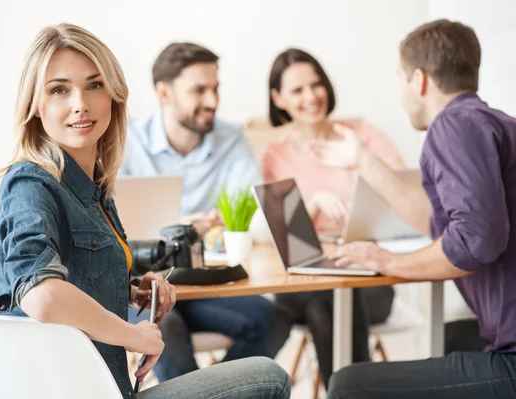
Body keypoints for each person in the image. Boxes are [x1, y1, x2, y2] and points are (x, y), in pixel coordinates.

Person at [0, 23, 290, 399]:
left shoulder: (94, 188)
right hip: (67, 390)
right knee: (268, 377)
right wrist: (135, 336)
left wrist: (132, 291)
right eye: (59, 89)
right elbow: (43, 295)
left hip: (104, 388)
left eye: (94, 85)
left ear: (113, 97)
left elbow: (80, 275)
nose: (80, 102)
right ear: (35, 104)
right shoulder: (31, 183)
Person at [326, 19, 516, 399]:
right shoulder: (495, 123)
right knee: (444, 338)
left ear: (418, 80)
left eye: (399, 79)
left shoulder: (452, 126)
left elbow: (476, 240)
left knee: (348, 385)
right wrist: (364, 160)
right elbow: (439, 223)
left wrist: (388, 260)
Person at [121, 42, 291, 382]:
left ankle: (217, 390)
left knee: (273, 320)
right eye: (199, 90)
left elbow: (253, 207)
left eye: (215, 89)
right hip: (142, 286)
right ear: (164, 93)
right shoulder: (126, 142)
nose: (212, 101)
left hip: (204, 282)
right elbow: (112, 222)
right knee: (164, 330)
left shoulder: (231, 139)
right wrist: (184, 224)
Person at [260, 48, 400, 388]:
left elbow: (403, 197)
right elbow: (275, 234)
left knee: (330, 300)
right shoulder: (275, 154)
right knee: (325, 295)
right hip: (303, 280)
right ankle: (359, 393)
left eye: (316, 84)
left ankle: (346, 393)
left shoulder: (363, 138)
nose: (311, 96)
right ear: (278, 99)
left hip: (368, 275)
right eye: (297, 90)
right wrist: (314, 205)